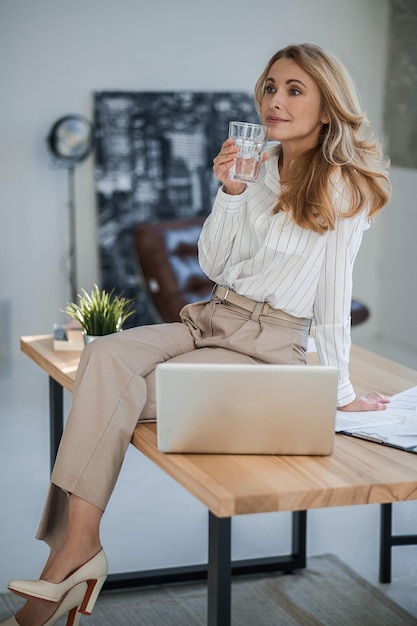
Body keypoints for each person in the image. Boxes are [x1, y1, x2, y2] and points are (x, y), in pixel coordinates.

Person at [2, 42, 392, 626]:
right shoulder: (258, 166)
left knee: (120, 392)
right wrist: (231, 191)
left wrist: (337, 392)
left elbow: (334, 298)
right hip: (211, 314)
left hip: (267, 344)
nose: (274, 101)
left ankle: (64, 567)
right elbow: (213, 263)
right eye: (269, 87)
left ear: (328, 106)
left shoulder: (342, 186)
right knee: (104, 357)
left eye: (293, 90)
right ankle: (80, 547)